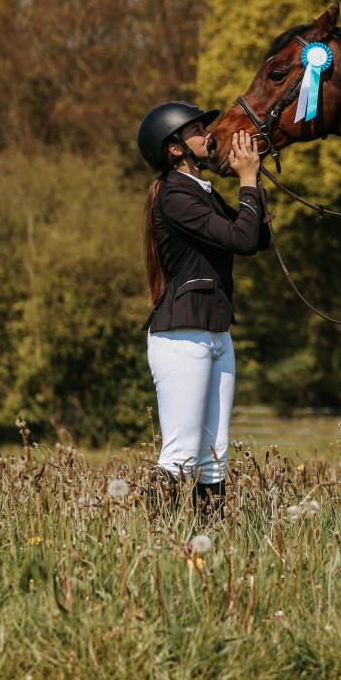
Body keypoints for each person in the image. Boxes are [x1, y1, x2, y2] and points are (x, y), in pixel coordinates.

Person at [136, 101, 269, 515]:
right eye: (196, 130)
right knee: (182, 451)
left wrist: (252, 181)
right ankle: (159, 539)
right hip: (182, 335)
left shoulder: (201, 192)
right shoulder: (175, 197)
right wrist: (247, 180)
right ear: (175, 149)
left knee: (215, 451)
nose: (207, 135)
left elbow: (256, 237)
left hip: (214, 332)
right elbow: (243, 240)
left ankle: (211, 537)